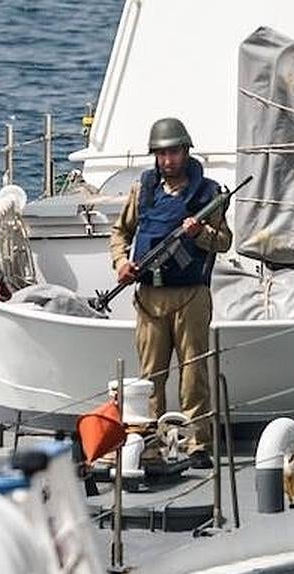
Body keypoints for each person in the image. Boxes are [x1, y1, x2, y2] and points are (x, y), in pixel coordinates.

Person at [110, 117, 233, 468]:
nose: (168, 161)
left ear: (186, 151)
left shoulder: (209, 193)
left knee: (194, 373)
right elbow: (120, 232)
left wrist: (200, 234)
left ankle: (197, 443)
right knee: (151, 376)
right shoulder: (143, 190)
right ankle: (150, 442)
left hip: (191, 294)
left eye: (174, 152)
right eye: (161, 154)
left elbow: (224, 241)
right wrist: (121, 262)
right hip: (150, 297)